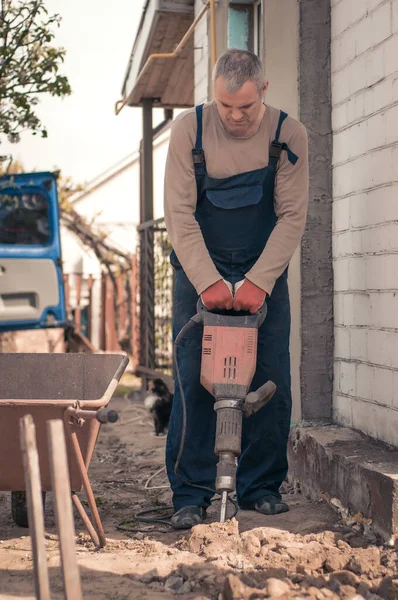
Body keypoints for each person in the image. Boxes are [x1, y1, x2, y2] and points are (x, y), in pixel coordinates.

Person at [163, 48, 309, 530]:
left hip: (262, 269)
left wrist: (258, 283)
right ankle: (191, 493)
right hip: (197, 266)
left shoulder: (289, 134)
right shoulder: (190, 129)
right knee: (192, 378)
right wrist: (207, 282)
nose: (236, 116)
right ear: (214, 97)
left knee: (270, 377)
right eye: (226, 107)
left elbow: (291, 218)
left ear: (263, 92)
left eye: (245, 106)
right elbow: (179, 215)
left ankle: (261, 486)